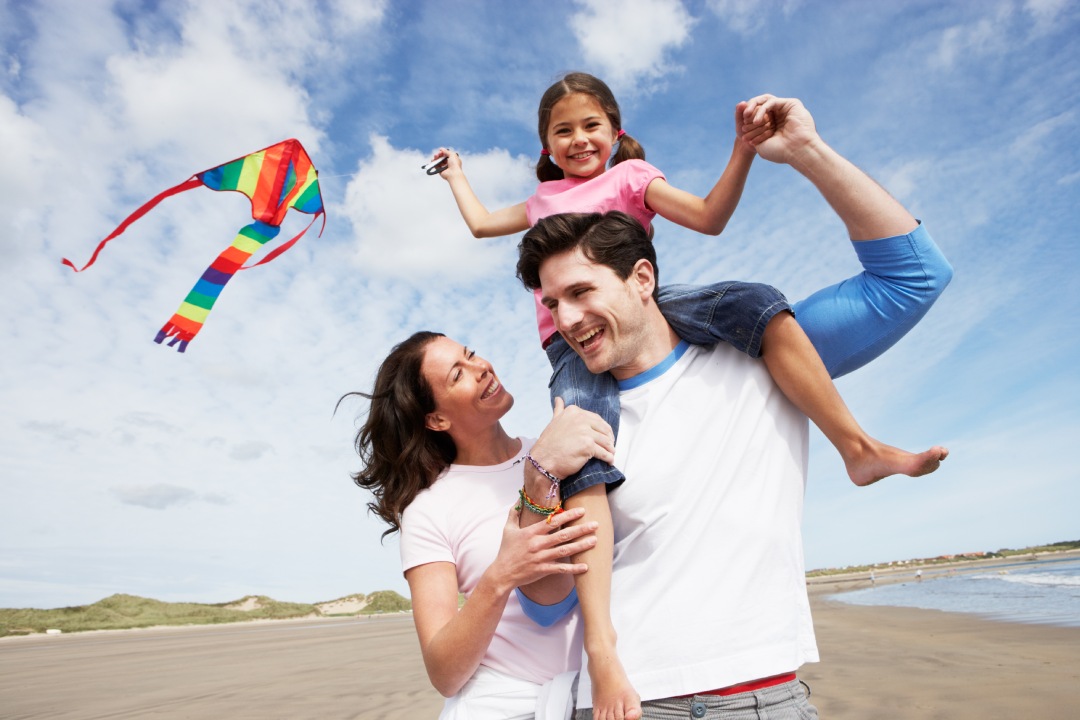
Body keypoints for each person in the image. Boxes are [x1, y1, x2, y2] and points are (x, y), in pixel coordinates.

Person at [514, 94, 952, 719]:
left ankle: (860, 451)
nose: (568, 319)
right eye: (553, 304)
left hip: (768, 699)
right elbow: (543, 601)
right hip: (626, 704)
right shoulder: (573, 422)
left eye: (583, 291)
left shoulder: (768, 355)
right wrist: (538, 479)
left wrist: (807, 152)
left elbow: (915, 277)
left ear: (643, 279)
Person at [429, 71, 943, 497]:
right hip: (565, 345)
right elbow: (480, 224)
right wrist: (455, 175)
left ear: (615, 130)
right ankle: (593, 593)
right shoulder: (540, 201)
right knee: (580, 432)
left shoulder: (631, 179)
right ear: (547, 144)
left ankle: (857, 447)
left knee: (756, 304)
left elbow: (708, 216)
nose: (579, 138)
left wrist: (743, 150)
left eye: (591, 125)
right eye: (563, 131)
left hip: (654, 308)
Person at [346, 331, 616, 719]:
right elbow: (444, 673)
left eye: (470, 354)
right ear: (436, 419)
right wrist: (500, 576)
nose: (481, 367)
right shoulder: (428, 509)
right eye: (458, 374)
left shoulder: (554, 448)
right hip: (503, 705)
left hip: (601, 693)